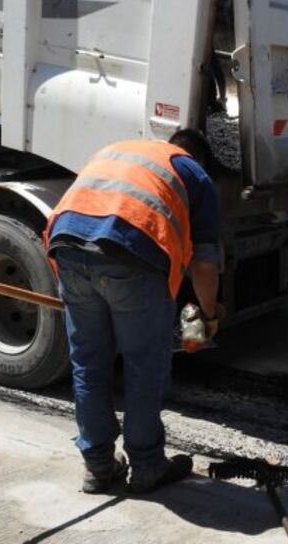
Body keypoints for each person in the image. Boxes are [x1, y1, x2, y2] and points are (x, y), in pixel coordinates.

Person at [44, 129, 222, 494]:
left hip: (66, 247)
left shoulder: (119, 149)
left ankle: (98, 467)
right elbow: (204, 264)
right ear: (198, 158)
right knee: (144, 365)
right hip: (131, 255)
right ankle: (147, 465)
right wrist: (209, 315)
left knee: (88, 363)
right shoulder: (194, 172)